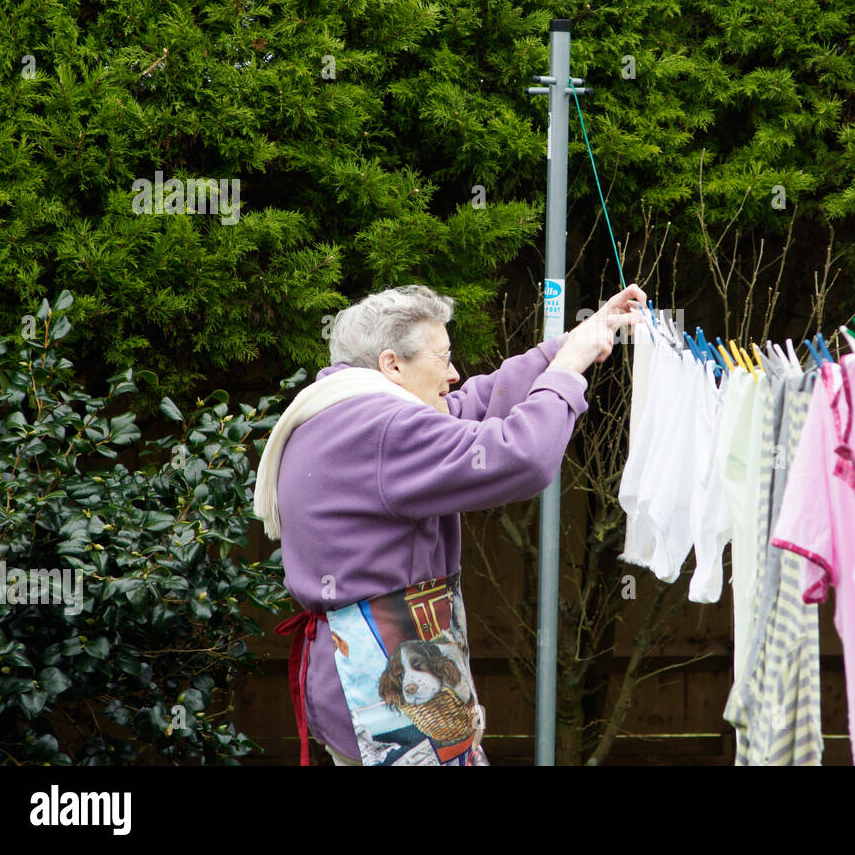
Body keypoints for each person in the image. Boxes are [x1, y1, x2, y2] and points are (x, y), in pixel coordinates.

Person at [259, 282, 647, 765]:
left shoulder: (338, 407)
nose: (455, 372)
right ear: (391, 364)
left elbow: (469, 408)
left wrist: (572, 343)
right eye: (442, 358)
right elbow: (522, 458)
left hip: (351, 677)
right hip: (380, 694)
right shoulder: (383, 428)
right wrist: (566, 373)